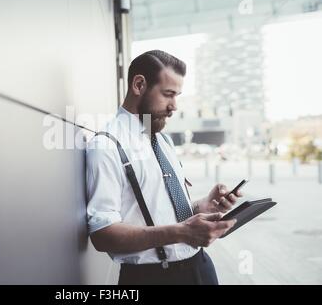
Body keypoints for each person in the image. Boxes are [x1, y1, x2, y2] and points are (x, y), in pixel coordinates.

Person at [85, 50, 242, 285]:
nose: (174, 106)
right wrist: (182, 232)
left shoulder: (163, 141)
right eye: (168, 94)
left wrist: (202, 206)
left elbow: (163, 209)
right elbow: (102, 235)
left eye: (177, 95)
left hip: (200, 268)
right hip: (152, 278)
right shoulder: (106, 145)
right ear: (139, 85)